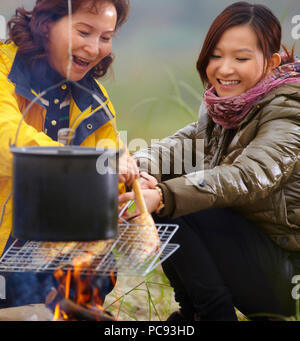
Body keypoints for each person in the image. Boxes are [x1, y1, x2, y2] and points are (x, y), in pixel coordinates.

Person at [119, 2, 300, 320]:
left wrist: (161, 196)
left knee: (174, 201)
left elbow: (248, 175)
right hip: (254, 258)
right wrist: (138, 175)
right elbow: (173, 149)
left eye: (240, 58)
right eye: (216, 56)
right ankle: (194, 313)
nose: (224, 69)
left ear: (270, 62)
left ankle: (213, 315)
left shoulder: (288, 111)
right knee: (167, 195)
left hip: (289, 274)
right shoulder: (225, 110)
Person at [0, 0, 139, 308]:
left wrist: (134, 186)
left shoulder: (93, 100)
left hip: (57, 251)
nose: (94, 48)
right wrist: (93, 166)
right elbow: (7, 136)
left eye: (105, 37)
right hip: (6, 245)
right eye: (84, 32)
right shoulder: (2, 67)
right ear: (47, 24)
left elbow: (110, 176)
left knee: (93, 270)